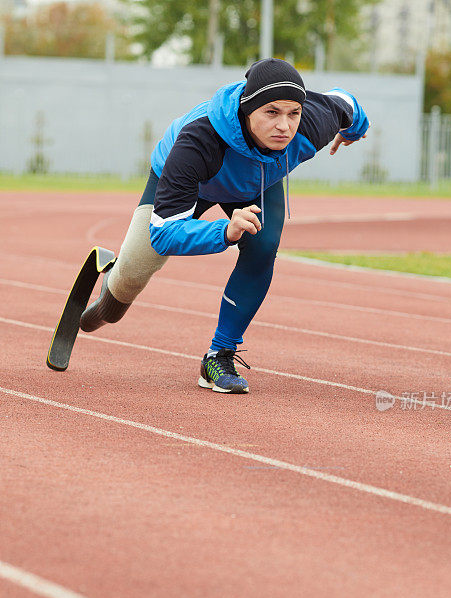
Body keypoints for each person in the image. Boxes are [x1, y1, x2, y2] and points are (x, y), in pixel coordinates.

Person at [80, 58, 369, 393]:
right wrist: (223, 231)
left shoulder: (315, 121)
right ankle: (105, 300)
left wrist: (354, 132)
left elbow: (347, 104)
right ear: (248, 110)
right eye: (271, 113)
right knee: (133, 275)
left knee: (262, 248)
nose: (285, 126)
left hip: (257, 183)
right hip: (193, 182)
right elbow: (164, 235)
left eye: (293, 113)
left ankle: (219, 354)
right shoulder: (198, 140)